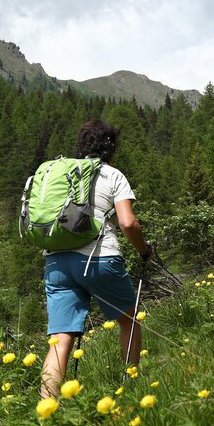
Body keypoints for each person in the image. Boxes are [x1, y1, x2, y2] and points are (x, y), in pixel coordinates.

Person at [41, 119, 152, 397]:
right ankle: (132, 386)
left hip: (56, 262)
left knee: (61, 339)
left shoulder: (61, 174)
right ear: (110, 148)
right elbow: (128, 223)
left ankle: (45, 414)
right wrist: (143, 250)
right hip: (98, 258)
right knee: (128, 320)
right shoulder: (112, 175)